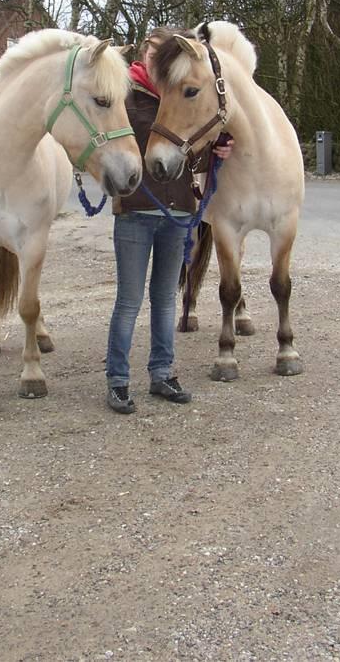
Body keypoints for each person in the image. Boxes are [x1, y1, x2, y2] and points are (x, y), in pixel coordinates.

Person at [105, 26, 233, 414]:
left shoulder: (182, 101)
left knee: (164, 300)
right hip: (135, 212)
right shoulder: (125, 98)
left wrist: (216, 151)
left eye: (162, 54)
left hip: (177, 212)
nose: (154, 60)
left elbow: (188, 155)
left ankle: (162, 373)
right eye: (151, 52)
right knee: (129, 300)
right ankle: (118, 380)